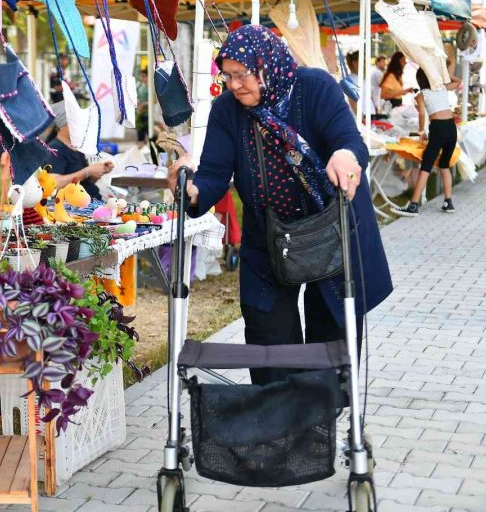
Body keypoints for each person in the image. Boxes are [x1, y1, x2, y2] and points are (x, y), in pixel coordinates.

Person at [168, 25, 392, 386]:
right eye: (226, 76)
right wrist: (190, 188)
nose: (234, 85)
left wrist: (345, 157)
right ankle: (278, 421)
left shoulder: (315, 87)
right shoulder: (228, 110)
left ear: (267, 65)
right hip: (269, 239)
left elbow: (349, 141)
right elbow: (212, 173)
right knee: (269, 345)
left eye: (242, 74)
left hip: (330, 233)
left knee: (330, 349)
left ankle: (320, 425)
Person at [392, 68, 462, 217]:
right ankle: (448, 202)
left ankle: (413, 205)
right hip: (451, 128)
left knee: (426, 166)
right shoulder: (441, 88)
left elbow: (422, 115)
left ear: (419, 81)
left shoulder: (421, 95)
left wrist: (421, 131)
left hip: (438, 128)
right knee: (444, 164)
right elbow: (458, 82)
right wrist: (444, 74)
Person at [46, 108, 113, 201]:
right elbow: (54, 183)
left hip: (91, 199)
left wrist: (97, 172)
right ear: (62, 126)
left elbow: (83, 182)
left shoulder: (76, 147)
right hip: (75, 206)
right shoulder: (55, 149)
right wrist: (87, 171)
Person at [379, 51, 412, 117]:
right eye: (403, 60)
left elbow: (396, 91)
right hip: (390, 109)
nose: (405, 63)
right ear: (397, 62)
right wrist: (402, 92)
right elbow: (383, 95)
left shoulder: (397, 75)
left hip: (396, 108)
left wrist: (406, 91)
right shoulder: (391, 76)